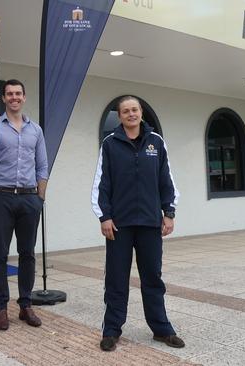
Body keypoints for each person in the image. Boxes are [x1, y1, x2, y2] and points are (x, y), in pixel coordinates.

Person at [91, 96, 185, 352]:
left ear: (141, 113)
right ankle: (111, 330)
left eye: (134, 110)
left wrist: (169, 212)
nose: (130, 114)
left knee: (153, 278)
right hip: (119, 226)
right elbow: (102, 185)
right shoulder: (110, 144)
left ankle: (161, 329)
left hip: (150, 224)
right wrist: (104, 216)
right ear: (119, 116)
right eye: (125, 111)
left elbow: (167, 181)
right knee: (116, 279)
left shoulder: (156, 142)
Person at [0, 79, 48, 331]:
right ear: (3, 98)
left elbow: (42, 166)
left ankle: (25, 305)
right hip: (1, 197)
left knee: (27, 254)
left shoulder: (35, 130)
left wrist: (39, 198)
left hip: (29, 199)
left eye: (18, 93)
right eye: (9, 94)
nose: (14, 97)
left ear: (24, 97)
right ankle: (1, 308)